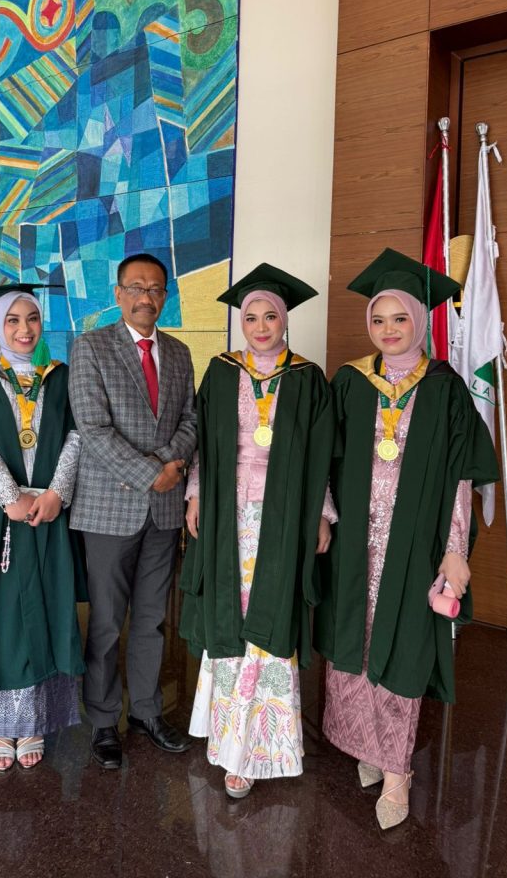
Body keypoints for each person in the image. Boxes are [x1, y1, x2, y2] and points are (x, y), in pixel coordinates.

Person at [314, 249, 499, 829]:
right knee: (355, 638)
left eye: (399, 319)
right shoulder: (350, 382)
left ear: (419, 320)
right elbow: (323, 461)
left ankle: (397, 769)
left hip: (415, 543)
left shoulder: (445, 389)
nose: (388, 329)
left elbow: (461, 477)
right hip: (354, 543)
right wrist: (324, 516)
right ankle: (365, 746)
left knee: (404, 643)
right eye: (378, 319)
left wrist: (455, 550)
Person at [179, 264, 335, 799]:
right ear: (240, 322)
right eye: (251, 317)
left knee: (270, 617)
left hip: (284, 516)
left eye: (271, 316)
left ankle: (264, 746)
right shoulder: (222, 372)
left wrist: (323, 512)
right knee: (230, 616)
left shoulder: (308, 378)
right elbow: (203, 443)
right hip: (227, 513)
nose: (261, 326)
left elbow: (323, 456)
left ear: (285, 319)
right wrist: (195, 493)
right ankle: (230, 744)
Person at [0, 284, 86, 771]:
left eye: (32, 319)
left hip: (49, 511)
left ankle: (34, 721)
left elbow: (76, 436)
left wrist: (56, 493)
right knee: (0, 614)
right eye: (13, 320)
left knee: (48, 608)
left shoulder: (61, 376)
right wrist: (11, 498)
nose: (25, 330)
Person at [69, 253, 197, 769]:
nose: (147, 297)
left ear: (165, 296)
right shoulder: (91, 347)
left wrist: (168, 467)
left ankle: (145, 710)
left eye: (156, 289)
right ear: (119, 294)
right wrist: (153, 472)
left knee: (151, 619)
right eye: (137, 288)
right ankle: (103, 720)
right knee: (105, 623)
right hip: (108, 509)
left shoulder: (180, 353)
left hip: (163, 511)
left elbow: (191, 419)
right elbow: (92, 428)